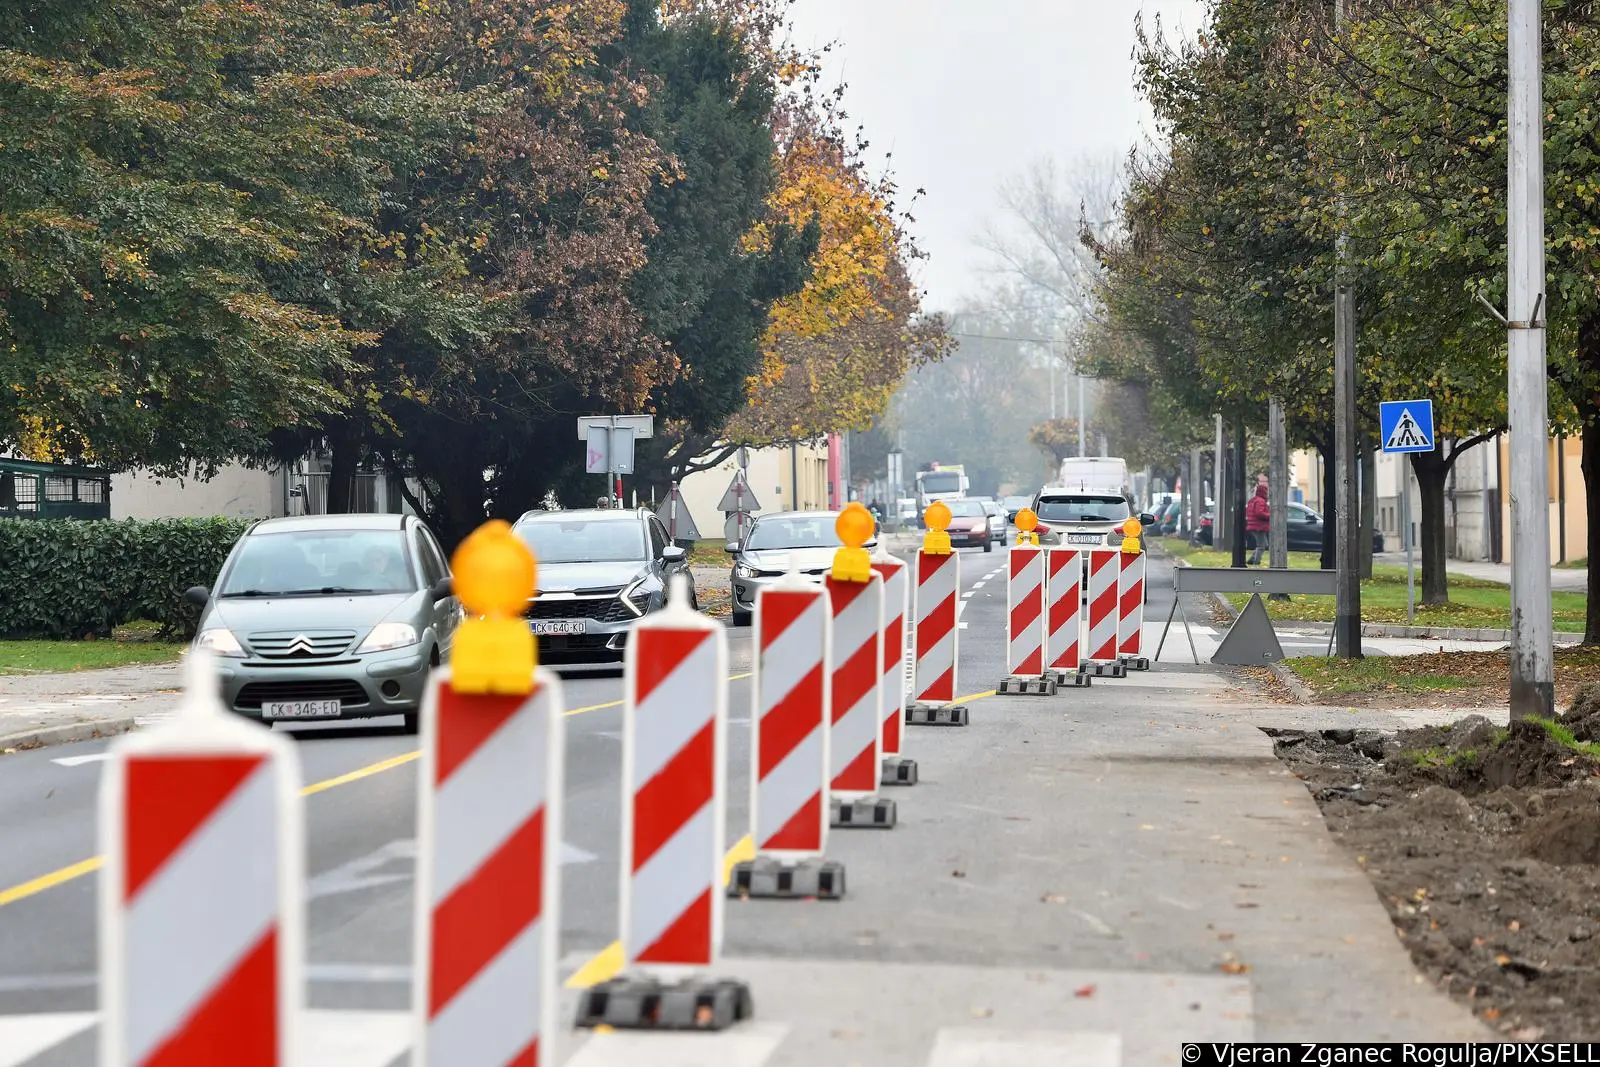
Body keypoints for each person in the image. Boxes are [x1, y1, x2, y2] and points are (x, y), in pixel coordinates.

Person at [1245, 473, 1270, 565]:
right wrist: (1270, 515)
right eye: (1266, 491)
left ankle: (1251, 559)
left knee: (1264, 544)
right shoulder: (1260, 501)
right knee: (1261, 546)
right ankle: (1256, 562)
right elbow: (1259, 513)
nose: (1267, 493)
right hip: (1259, 526)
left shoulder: (1253, 500)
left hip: (1254, 525)